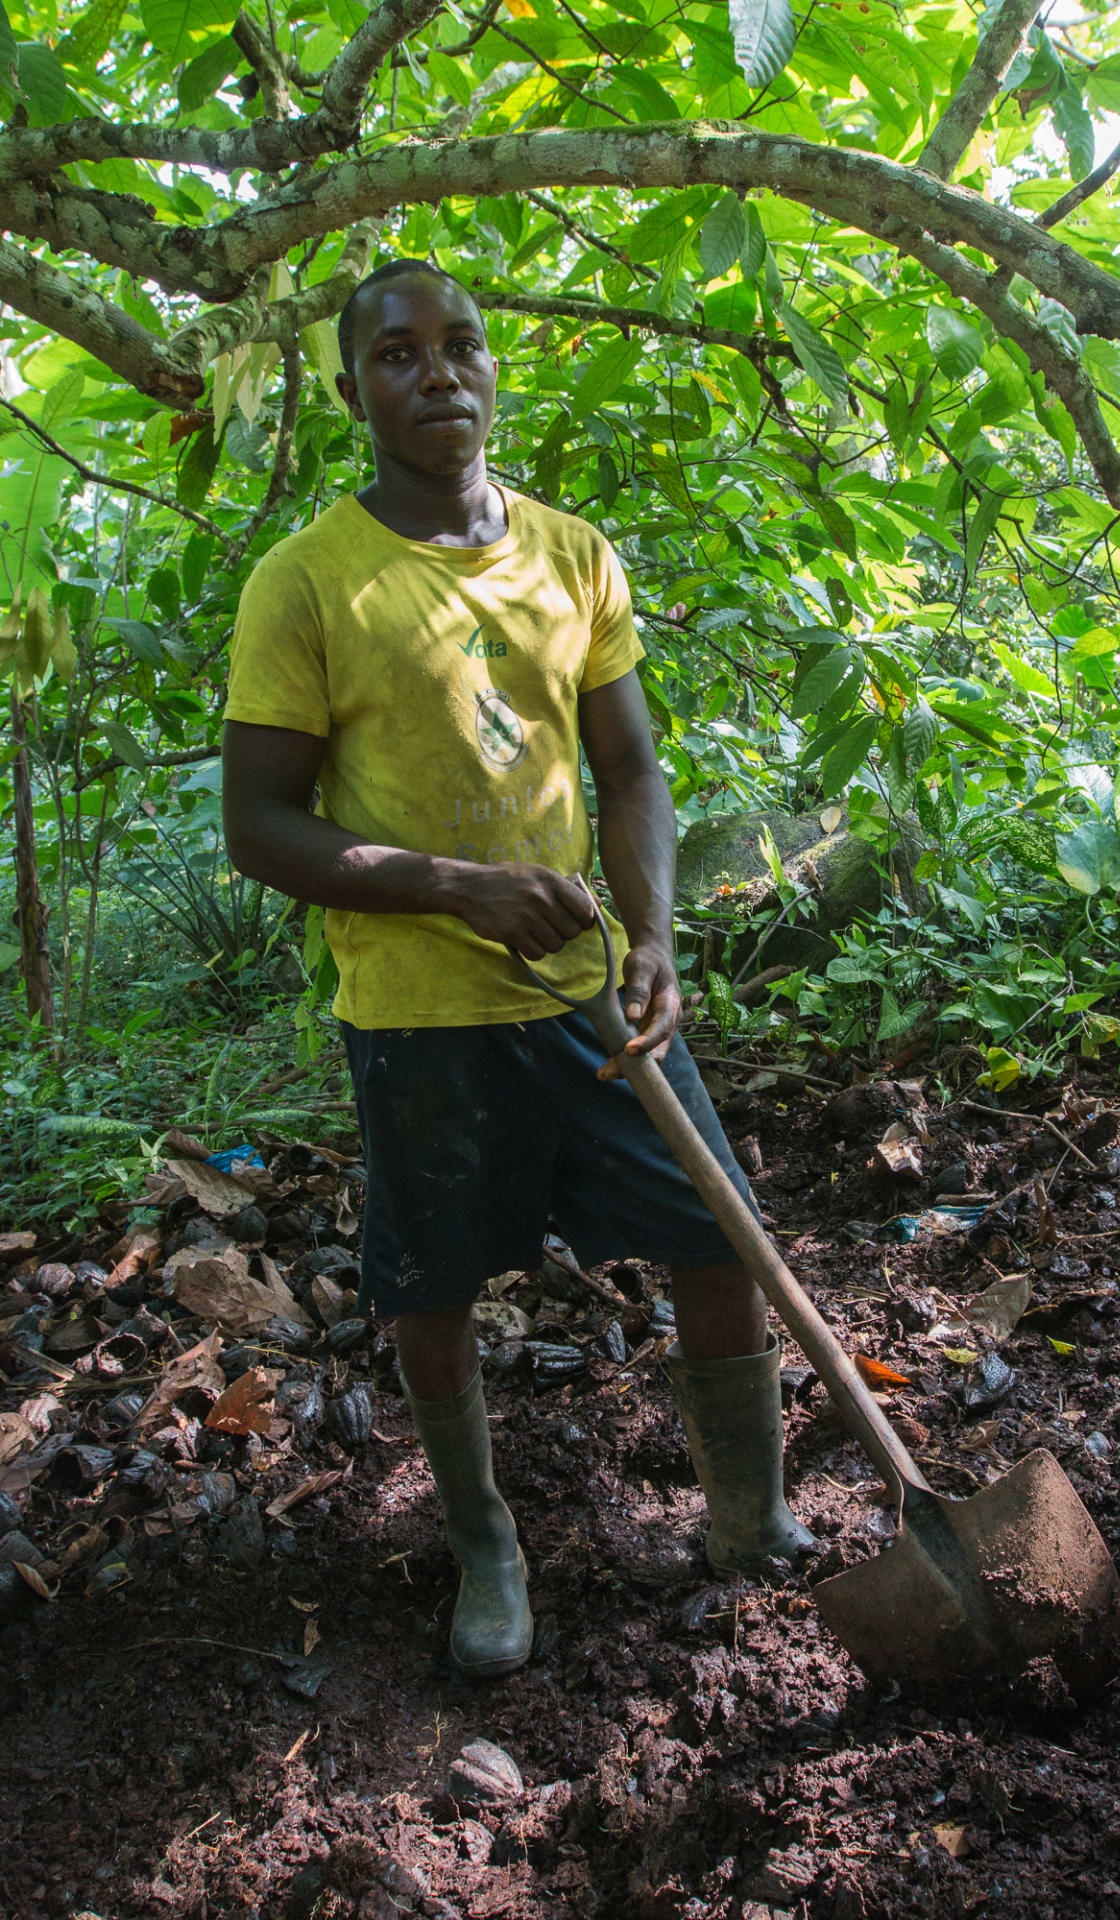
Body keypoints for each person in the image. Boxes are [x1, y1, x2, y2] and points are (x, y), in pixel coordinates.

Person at [222, 259, 813, 1678]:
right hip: (421, 1012)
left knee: (716, 1234)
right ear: (351, 388)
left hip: (589, 994)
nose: (439, 373)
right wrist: (456, 886)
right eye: (399, 354)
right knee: (433, 1285)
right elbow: (259, 826)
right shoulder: (306, 582)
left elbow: (631, 766)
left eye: (463, 345)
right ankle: (485, 1538)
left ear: (494, 368)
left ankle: (751, 1518)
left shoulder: (572, 553)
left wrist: (654, 934)